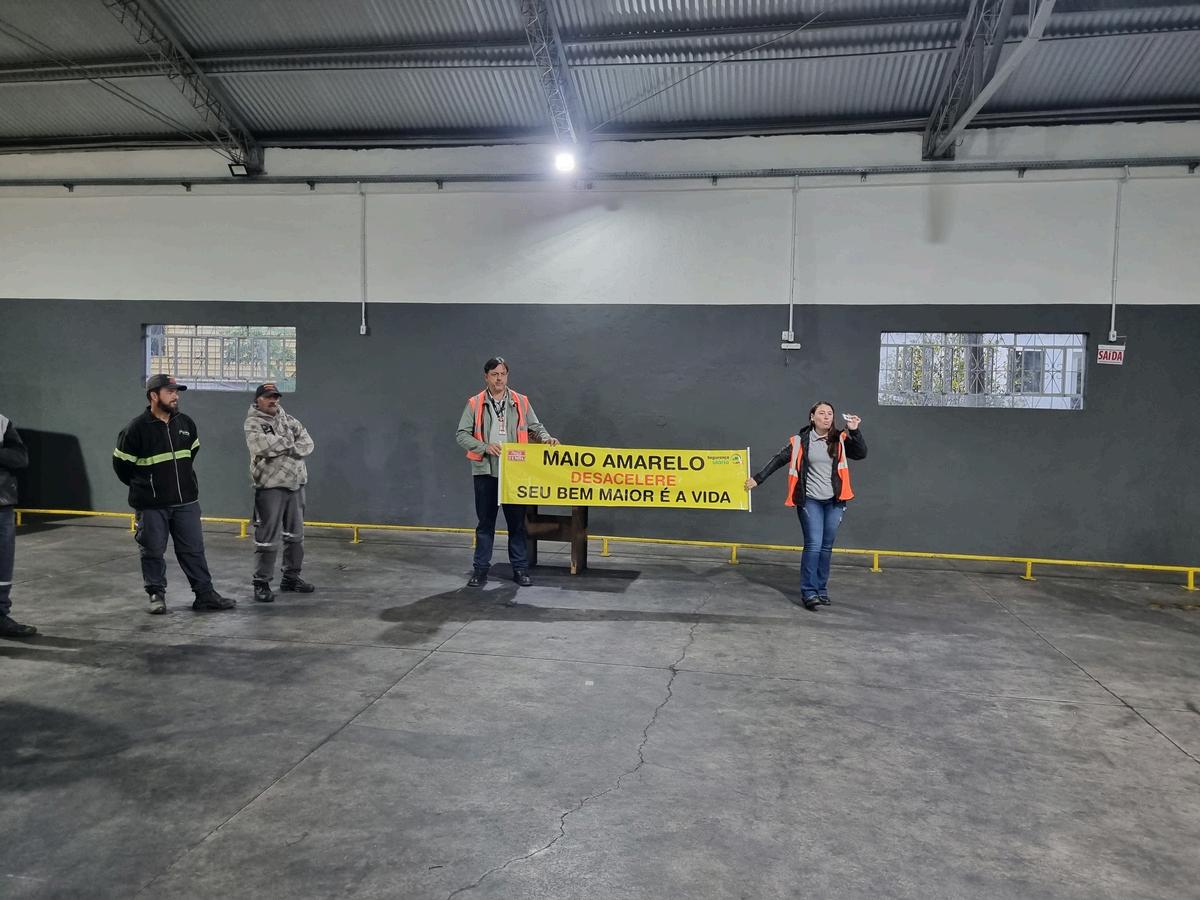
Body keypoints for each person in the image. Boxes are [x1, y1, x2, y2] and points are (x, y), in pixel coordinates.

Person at [113, 374, 234, 614]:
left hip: (186, 502)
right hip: (151, 505)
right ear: (153, 395)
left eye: (176, 391)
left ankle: (205, 595)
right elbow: (122, 467)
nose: (176, 396)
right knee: (152, 550)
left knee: (193, 550)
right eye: (170, 392)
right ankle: (156, 595)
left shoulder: (186, 424)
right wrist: (147, 487)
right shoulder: (135, 429)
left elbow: (191, 455)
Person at [745, 402, 867, 611]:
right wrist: (758, 479)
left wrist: (855, 431)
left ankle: (821, 589)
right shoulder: (800, 441)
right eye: (822, 413)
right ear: (812, 417)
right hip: (810, 499)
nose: (826, 417)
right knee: (814, 544)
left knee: (826, 547)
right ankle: (809, 592)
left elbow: (861, 453)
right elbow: (778, 459)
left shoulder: (839, 439)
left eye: (830, 414)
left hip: (835, 500)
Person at [456, 357, 559, 588]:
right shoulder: (475, 403)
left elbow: (535, 427)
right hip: (486, 470)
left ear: (507, 376)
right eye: (494, 374)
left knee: (517, 524)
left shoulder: (521, 401)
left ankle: (520, 569)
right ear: (486, 377)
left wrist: (546, 438)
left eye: (503, 374)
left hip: (515, 471)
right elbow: (461, 434)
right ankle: (480, 570)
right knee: (485, 524)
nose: (499, 378)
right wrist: (484, 447)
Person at [244, 382, 315, 603]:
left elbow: (308, 444)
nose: (273, 400)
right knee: (266, 539)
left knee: (295, 536)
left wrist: (281, 445)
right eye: (268, 397)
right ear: (258, 400)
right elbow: (261, 447)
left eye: (275, 396)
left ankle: (291, 578)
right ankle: (261, 583)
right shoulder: (253, 423)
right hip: (270, 487)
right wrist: (290, 444)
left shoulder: (289, 420)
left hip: (296, 485)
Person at [0, 412, 36, 637]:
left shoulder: (1, 422)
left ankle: (0, 616)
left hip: (1, 506)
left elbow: (20, 458)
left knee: (3, 566)